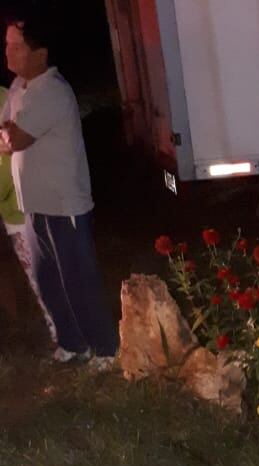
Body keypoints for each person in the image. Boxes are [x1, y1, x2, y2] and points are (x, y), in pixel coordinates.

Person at [0, 13, 117, 368]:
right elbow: (7, 131)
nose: (8, 53)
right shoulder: (19, 88)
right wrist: (8, 132)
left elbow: (15, 139)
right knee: (48, 280)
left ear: (40, 53)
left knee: (78, 279)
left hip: (64, 206)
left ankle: (105, 349)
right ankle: (72, 343)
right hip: (34, 205)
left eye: (17, 47)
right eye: (7, 45)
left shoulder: (51, 90)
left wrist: (9, 133)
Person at [0, 80, 56, 341]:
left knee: (45, 275)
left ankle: (69, 337)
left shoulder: (9, 101)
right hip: (14, 210)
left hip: (25, 206)